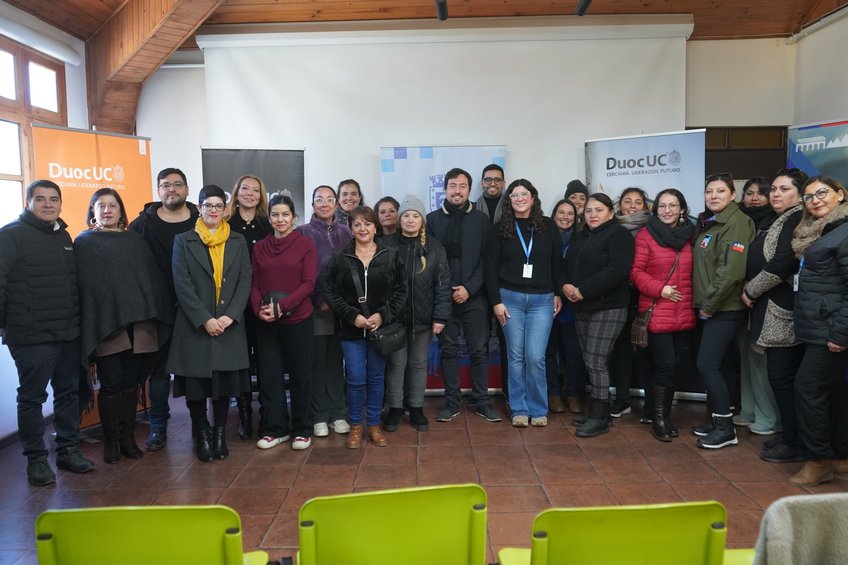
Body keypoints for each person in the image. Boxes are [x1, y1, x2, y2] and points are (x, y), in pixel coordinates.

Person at [0, 180, 95, 486]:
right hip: (31, 336)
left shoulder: (63, 235)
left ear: (60, 204)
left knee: (68, 393)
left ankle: (68, 450)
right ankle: (36, 460)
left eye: (54, 199)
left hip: (68, 333)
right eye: (40, 199)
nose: (48, 204)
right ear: (28, 203)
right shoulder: (10, 236)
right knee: (32, 398)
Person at [75, 188, 174, 463]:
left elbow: (150, 282)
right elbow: (86, 289)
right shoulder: (83, 243)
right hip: (105, 326)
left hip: (138, 327)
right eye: (101, 205)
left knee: (132, 383)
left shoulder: (135, 241)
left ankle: (128, 439)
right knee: (111, 385)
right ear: (93, 211)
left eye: (113, 205)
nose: (107, 210)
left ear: (121, 211)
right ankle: (111, 442)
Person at [167, 184, 252, 462]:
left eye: (218, 206)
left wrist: (230, 316)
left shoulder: (238, 240)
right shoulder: (184, 240)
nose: (213, 210)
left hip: (228, 324)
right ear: (199, 208)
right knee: (195, 387)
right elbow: (182, 284)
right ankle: (202, 433)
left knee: (222, 386)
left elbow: (245, 280)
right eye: (208, 205)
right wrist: (204, 318)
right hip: (195, 325)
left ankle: (219, 435)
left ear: (225, 210)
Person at [324, 206, 407, 448]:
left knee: (376, 378)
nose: (363, 229)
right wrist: (352, 316)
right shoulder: (340, 259)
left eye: (367, 224)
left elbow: (401, 291)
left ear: (375, 227)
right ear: (350, 228)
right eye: (357, 224)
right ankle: (356, 426)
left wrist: (383, 315)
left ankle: (373, 425)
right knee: (355, 378)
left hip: (380, 330)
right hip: (351, 330)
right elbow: (331, 292)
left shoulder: (390, 256)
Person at [129, 167, 199, 451]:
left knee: (194, 371)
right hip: (157, 310)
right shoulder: (141, 225)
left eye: (178, 184)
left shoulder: (201, 220)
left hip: (194, 308)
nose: (172, 189)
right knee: (158, 373)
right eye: (166, 185)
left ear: (187, 189)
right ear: (158, 190)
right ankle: (158, 425)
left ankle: (200, 424)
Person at [427, 167, 503, 424]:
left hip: (475, 296)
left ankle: (481, 401)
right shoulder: (432, 220)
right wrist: (447, 290)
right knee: (448, 351)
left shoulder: (481, 220)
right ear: (445, 189)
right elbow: (430, 262)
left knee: (479, 351)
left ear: (470, 190)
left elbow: (487, 261)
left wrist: (469, 288)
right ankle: (451, 402)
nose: (457, 191)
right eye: (452, 186)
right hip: (444, 297)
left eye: (462, 186)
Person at [742, 168, 807, 463]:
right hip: (770, 307)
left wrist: (750, 290)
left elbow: (782, 263)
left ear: (800, 194)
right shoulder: (776, 219)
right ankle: (790, 436)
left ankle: (794, 442)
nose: (776, 194)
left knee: (782, 377)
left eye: (784, 189)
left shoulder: (795, 217)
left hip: (781, 309)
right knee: (780, 377)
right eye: (775, 189)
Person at [787, 176, 848, 486]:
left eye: (822, 193)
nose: (815, 200)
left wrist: (840, 334)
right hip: (818, 327)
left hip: (831, 331)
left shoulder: (843, 232)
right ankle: (840, 458)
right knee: (834, 393)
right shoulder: (821, 231)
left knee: (808, 389)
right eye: (808, 197)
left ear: (841, 194)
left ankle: (818, 461)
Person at [485, 180, 562, 427]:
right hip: (510, 300)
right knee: (515, 357)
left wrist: (558, 293)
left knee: (536, 357)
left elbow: (556, 263)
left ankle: (538, 409)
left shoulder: (548, 226)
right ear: (509, 200)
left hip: (542, 301)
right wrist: (496, 302)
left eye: (523, 194)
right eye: (514, 195)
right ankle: (519, 408)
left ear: (533, 197)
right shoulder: (499, 229)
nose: (519, 198)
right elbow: (490, 269)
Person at [561, 193, 635, 437]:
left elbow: (617, 271)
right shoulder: (581, 236)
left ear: (611, 213)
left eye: (599, 210)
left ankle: (599, 416)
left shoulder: (619, 235)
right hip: (582, 307)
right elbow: (566, 266)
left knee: (595, 361)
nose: (593, 214)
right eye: (589, 210)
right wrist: (565, 285)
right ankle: (598, 411)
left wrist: (583, 290)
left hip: (609, 307)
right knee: (590, 360)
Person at [691, 173, 756, 449]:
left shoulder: (736, 223)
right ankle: (720, 418)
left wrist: (709, 305)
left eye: (720, 191)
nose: (713, 196)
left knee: (707, 364)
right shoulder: (714, 222)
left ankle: (726, 430)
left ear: (733, 195)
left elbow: (731, 272)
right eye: (709, 191)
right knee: (722, 364)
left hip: (724, 307)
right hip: (714, 306)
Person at [250, 194, 317, 451]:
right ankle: (275, 429)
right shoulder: (260, 247)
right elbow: (254, 283)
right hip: (267, 321)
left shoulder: (305, 244)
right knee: (270, 377)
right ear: (269, 218)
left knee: (301, 377)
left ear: (294, 217)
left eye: (285, 214)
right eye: (275, 214)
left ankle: (302, 429)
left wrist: (283, 306)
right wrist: (260, 310)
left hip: (298, 319)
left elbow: (308, 283)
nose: (280, 219)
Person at [630, 189, 696, 441]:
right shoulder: (646, 236)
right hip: (657, 309)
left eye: (673, 205)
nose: (667, 210)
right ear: (655, 209)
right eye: (662, 206)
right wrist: (661, 289)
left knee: (676, 366)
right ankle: (657, 418)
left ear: (682, 209)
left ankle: (665, 416)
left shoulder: (691, 234)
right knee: (665, 365)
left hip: (684, 311)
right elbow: (635, 272)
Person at [382, 195, 451, 432]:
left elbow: (443, 284)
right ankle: (395, 408)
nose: (410, 220)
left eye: (415, 216)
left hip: (424, 319)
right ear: (400, 219)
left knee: (418, 363)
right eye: (406, 216)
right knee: (396, 364)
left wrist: (440, 317)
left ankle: (416, 408)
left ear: (422, 220)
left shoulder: (435, 247)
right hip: (394, 319)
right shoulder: (386, 244)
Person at [298, 185, 353, 438]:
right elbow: (302, 272)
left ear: (336, 205)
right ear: (312, 205)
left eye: (330, 199)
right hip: (315, 309)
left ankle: (338, 414)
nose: (324, 203)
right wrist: (320, 300)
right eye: (319, 199)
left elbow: (351, 270)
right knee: (317, 364)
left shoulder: (346, 233)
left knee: (336, 363)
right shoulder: (302, 233)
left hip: (341, 311)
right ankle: (319, 415)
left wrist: (340, 302)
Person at [228, 174, 273, 441]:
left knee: (266, 359)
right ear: (236, 192)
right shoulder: (225, 224)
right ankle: (245, 415)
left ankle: (267, 413)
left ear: (261, 196)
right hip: (235, 304)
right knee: (241, 361)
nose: (250, 193)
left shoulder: (268, 224)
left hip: (263, 302)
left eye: (255, 190)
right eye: (245, 188)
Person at [735, 176, 781, 436]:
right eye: (749, 193)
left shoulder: (777, 222)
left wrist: (752, 288)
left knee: (760, 358)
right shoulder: (740, 221)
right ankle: (748, 409)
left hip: (765, 299)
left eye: (761, 193)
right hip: (739, 300)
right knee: (745, 357)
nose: (754, 198)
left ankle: (768, 416)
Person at [610, 187, 652, 419]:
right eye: (628, 201)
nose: (632, 206)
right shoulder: (612, 228)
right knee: (621, 349)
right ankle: (622, 399)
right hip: (619, 294)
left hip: (646, 294)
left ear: (645, 206)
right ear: (620, 205)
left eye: (638, 202)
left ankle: (651, 404)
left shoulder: (654, 228)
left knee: (647, 348)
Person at [545, 199, 587, 414]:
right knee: (548, 352)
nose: (565, 217)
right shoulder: (544, 236)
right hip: (547, 303)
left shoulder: (582, 238)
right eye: (561, 212)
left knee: (573, 353)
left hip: (572, 305)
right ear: (553, 215)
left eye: (570, 213)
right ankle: (553, 393)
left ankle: (572, 394)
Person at [473, 164, 509, 399]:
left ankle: (508, 390)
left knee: (508, 341)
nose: (492, 184)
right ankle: (481, 393)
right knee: (480, 342)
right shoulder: (472, 210)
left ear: (504, 183)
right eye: (488, 180)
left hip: (506, 281)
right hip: (478, 283)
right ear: (482, 183)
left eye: (497, 180)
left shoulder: (514, 208)